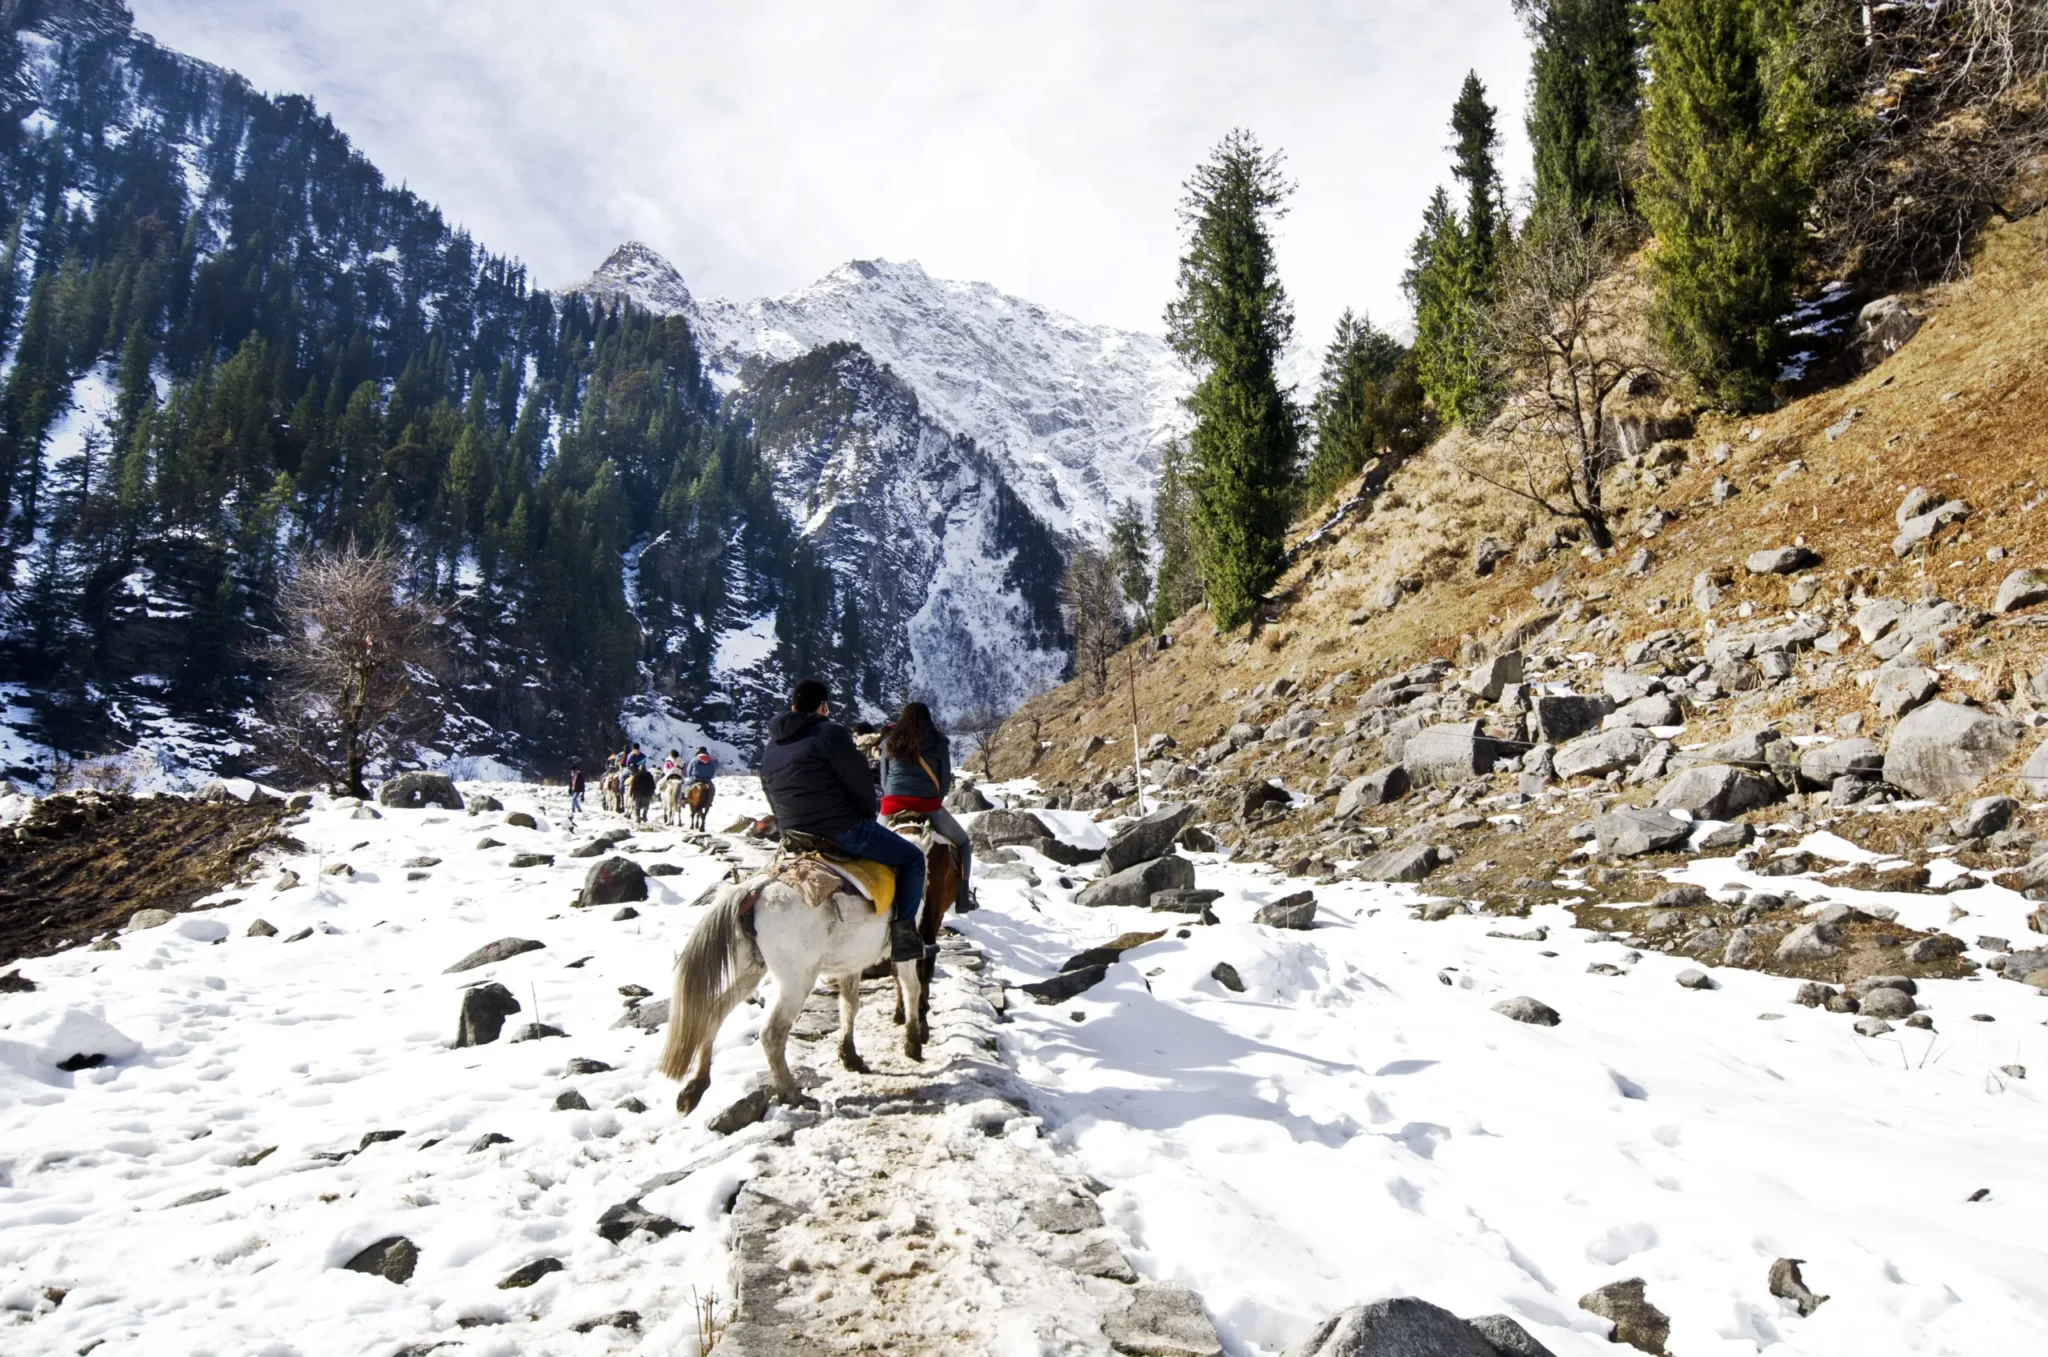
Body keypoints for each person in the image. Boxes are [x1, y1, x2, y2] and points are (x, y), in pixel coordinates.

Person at [760, 678, 926, 962]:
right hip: (839, 829)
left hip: (794, 833)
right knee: (913, 859)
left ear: (793, 706)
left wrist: (788, 822)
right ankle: (904, 938)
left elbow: (769, 790)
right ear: (823, 706)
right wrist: (866, 815)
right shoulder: (831, 733)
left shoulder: (772, 745)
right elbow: (859, 781)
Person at [878, 701, 972, 910]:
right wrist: (934, 799)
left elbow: (884, 779)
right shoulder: (938, 742)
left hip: (892, 805)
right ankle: (964, 896)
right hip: (927, 804)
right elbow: (945, 779)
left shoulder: (889, 742)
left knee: (870, 845)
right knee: (963, 842)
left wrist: (893, 796)